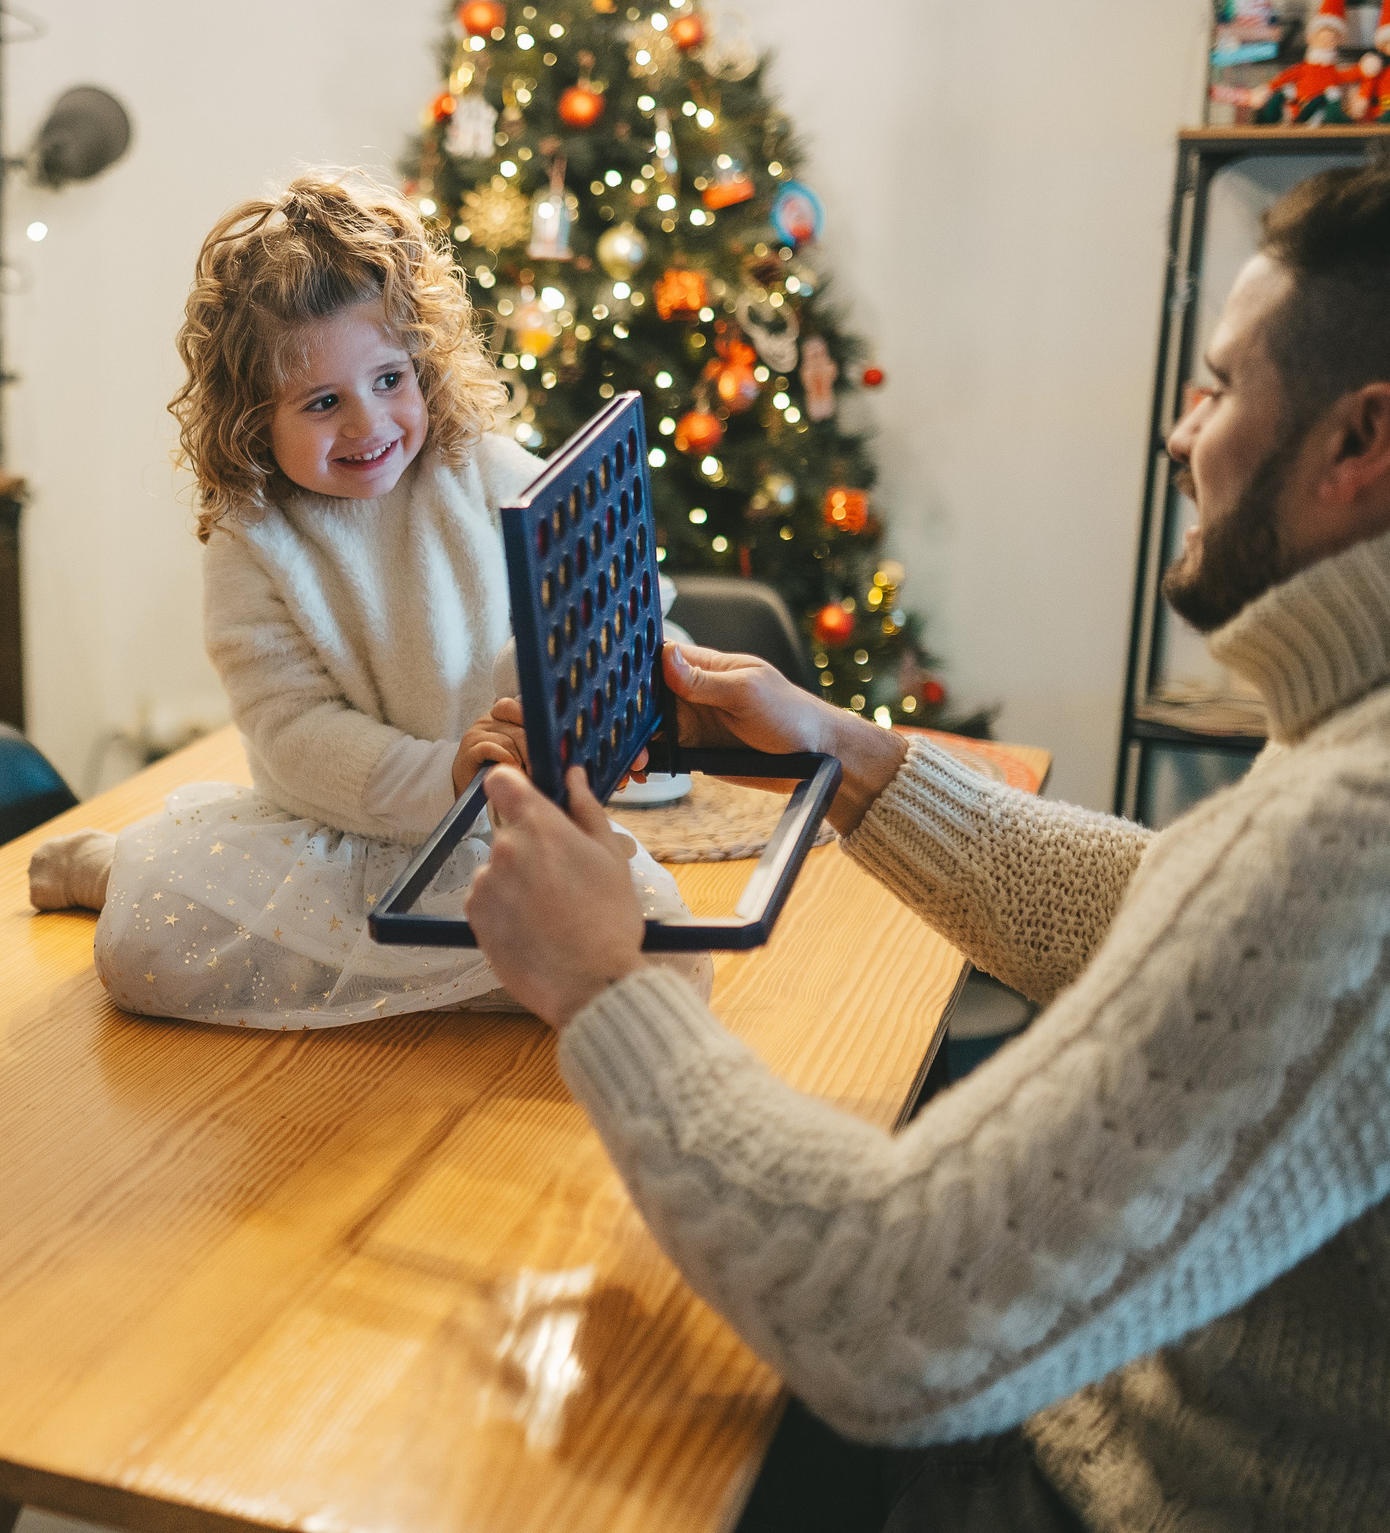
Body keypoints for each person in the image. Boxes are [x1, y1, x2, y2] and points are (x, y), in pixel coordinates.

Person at [464, 164, 1390, 1530]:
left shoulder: (1352, 833)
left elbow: (890, 1311)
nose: (1180, 431)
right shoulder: (1344, 756)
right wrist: (847, 754)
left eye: (1216, 386)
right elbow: (1193, 912)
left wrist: (608, 985)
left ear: (1360, 443)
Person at [30, 172, 702, 1026]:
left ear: (422, 361)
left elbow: (606, 590)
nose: (368, 424)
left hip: (508, 824)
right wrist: (446, 773)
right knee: (143, 948)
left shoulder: (481, 466)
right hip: (341, 830)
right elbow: (295, 731)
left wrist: (589, 688)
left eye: (390, 379)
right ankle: (123, 865)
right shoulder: (253, 539)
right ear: (250, 417)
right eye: (321, 402)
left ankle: (461, 960)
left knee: (667, 961)